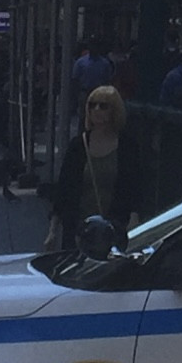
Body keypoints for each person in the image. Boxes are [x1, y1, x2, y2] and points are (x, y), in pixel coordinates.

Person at [47, 86, 145, 250]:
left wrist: (133, 219)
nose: (96, 110)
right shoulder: (78, 146)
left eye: (103, 106)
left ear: (115, 111)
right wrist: (52, 230)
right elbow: (64, 189)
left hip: (113, 230)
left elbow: (135, 188)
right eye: (92, 105)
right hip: (79, 231)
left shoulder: (127, 147)